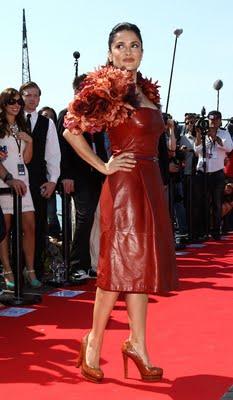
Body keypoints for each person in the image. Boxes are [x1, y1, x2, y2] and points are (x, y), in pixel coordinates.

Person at [63, 22, 178, 383]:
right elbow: (71, 129)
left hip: (150, 182)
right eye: (120, 46)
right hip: (124, 184)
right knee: (116, 270)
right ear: (110, 52)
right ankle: (94, 341)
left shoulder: (146, 92)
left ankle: (138, 344)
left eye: (134, 45)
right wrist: (103, 165)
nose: (128, 51)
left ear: (142, 51)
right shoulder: (106, 88)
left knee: (141, 269)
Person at [57, 75, 108, 282]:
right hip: (78, 176)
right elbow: (63, 149)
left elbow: (101, 147)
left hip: (98, 173)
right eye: (88, 87)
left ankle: (95, 264)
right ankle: (77, 265)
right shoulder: (67, 114)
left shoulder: (98, 114)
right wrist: (66, 175)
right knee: (84, 217)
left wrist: (106, 170)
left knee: (98, 219)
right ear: (78, 90)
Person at [19, 82, 61, 279]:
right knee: (11, 228)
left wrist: (53, 181)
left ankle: (35, 270)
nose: (32, 99)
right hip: (11, 180)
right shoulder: (11, 120)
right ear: (21, 97)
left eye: (36, 95)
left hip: (38, 181)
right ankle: (13, 273)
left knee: (37, 226)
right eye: (28, 95)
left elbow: (53, 155)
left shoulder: (47, 123)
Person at [0, 88, 41, 289]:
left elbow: (26, 159)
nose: (16, 104)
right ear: (3, 104)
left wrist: (30, 141)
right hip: (4, 184)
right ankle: (7, 270)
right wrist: (8, 179)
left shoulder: (22, 125)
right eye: (11, 101)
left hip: (23, 182)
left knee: (30, 226)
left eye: (18, 102)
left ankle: (30, 269)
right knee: (4, 229)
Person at [194, 110, 233, 240]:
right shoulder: (204, 133)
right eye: (211, 120)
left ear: (220, 121)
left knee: (217, 202)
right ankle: (202, 230)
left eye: (216, 120)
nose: (213, 122)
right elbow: (197, 151)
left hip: (217, 173)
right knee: (201, 202)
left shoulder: (224, 133)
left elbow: (229, 148)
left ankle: (216, 230)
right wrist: (199, 134)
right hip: (202, 172)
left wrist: (215, 137)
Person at [38, 106, 61, 239]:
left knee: (52, 213)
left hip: (51, 180)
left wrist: (53, 179)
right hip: (34, 178)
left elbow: (55, 158)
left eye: (51, 117)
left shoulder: (55, 136)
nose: (48, 119)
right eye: (45, 116)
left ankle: (55, 237)